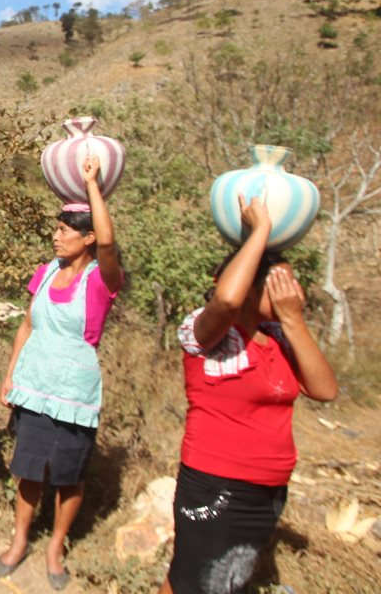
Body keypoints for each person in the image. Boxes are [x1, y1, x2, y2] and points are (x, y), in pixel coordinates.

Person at [160, 197, 337, 594]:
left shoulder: (280, 337)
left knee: (215, 581)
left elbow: (325, 390)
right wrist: (259, 232)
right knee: (196, 582)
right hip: (218, 486)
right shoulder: (204, 335)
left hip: (268, 490)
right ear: (250, 289)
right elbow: (226, 302)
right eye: (282, 283)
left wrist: (293, 319)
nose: (296, 292)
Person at [0, 157, 123, 590]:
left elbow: (109, 246)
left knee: (69, 476)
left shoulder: (100, 280)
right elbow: (28, 325)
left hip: (73, 391)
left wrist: (92, 186)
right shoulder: (46, 272)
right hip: (34, 386)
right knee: (28, 469)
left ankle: (56, 546)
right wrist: (11, 375)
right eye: (57, 228)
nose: (56, 235)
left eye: (66, 230)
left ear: (87, 237)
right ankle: (20, 540)